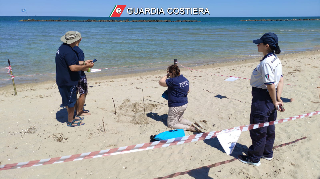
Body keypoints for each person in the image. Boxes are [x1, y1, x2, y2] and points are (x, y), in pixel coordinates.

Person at [238, 32, 284, 166]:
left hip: (263, 98)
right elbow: (280, 80)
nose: (257, 45)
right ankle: (267, 152)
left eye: (260, 43)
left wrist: (275, 100)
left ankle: (254, 158)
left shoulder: (267, 62)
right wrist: (277, 98)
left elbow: (270, 84)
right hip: (271, 96)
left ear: (266, 45)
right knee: (269, 126)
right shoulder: (276, 59)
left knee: (258, 129)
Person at [55, 31, 94, 127]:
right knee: (71, 101)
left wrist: (84, 62)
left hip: (61, 78)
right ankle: (70, 121)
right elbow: (72, 67)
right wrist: (85, 67)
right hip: (68, 80)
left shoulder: (62, 48)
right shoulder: (69, 52)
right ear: (75, 40)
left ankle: (72, 117)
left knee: (69, 100)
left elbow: (73, 62)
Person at [159, 64, 203, 132]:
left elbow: (161, 82)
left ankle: (189, 128)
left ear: (170, 73)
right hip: (184, 103)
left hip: (176, 106)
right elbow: (188, 90)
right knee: (179, 119)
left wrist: (166, 75)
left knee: (171, 124)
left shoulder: (172, 81)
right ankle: (192, 124)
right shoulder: (184, 79)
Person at [73, 40, 91, 116]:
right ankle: (79, 111)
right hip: (79, 75)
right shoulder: (79, 51)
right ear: (80, 39)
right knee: (83, 93)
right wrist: (88, 67)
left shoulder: (68, 50)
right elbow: (81, 67)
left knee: (73, 93)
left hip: (71, 75)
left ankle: (74, 110)